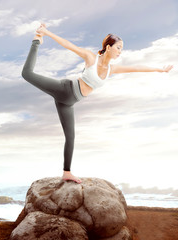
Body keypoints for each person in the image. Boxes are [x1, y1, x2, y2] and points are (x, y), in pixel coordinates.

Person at [22, 23, 173, 184]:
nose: (120, 52)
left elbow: (135, 67)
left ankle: (67, 172)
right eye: (118, 48)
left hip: (69, 103)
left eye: (121, 49)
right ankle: (36, 41)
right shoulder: (91, 58)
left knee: (71, 137)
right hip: (65, 90)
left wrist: (159, 69)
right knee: (27, 74)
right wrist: (45, 33)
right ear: (109, 47)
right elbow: (68, 45)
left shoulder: (111, 69)